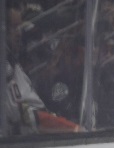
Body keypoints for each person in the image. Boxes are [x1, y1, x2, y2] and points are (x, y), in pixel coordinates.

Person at [4, 1, 82, 136]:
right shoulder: (5, 69)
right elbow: (28, 116)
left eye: (19, 27)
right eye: (13, 27)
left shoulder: (13, 64)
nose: (18, 33)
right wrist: (72, 128)